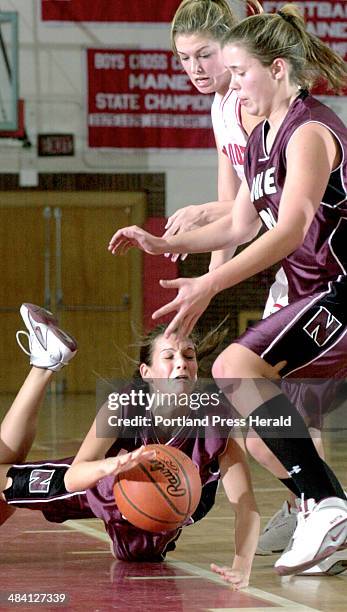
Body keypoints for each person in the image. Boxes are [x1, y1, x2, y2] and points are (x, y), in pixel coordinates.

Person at [108, 3, 347, 576]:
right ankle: (322, 507)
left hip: (340, 288)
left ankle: (326, 506)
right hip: (320, 292)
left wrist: (209, 283)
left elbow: (289, 229)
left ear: (280, 70)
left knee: (237, 368)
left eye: (240, 74)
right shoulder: (260, 132)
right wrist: (164, 246)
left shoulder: (309, 131)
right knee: (256, 406)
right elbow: (242, 224)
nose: (232, 86)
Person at [0, 303, 259, 590]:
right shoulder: (124, 405)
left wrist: (242, 565)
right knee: (4, 480)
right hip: (102, 486)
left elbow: (245, 504)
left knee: (137, 557)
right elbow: (74, 477)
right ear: (146, 372)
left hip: (170, 506)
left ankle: (46, 361)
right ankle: (45, 365)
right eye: (169, 356)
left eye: (189, 356)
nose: (182, 362)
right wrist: (111, 467)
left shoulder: (219, 418)